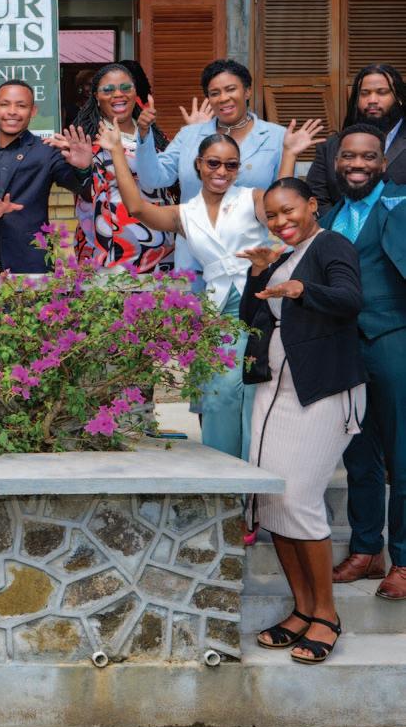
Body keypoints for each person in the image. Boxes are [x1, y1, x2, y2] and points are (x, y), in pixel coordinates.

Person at [100, 117, 322, 458]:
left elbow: (281, 206)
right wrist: (116, 150)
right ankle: (226, 470)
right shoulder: (185, 214)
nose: (222, 171)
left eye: (231, 165)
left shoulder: (251, 198)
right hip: (220, 310)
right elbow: (137, 208)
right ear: (199, 165)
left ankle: (258, 468)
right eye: (213, 163)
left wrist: (289, 153)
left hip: (262, 303)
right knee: (220, 393)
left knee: (256, 389)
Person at [239, 178, 367, 665]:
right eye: (271, 216)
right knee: (272, 501)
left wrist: (302, 289)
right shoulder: (281, 258)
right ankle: (302, 609)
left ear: (312, 205)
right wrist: (258, 273)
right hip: (275, 394)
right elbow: (252, 317)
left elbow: (349, 299)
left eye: (288, 211)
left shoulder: (331, 244)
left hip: (323, 394)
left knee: (298, 500)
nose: (280, 222)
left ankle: (326, 616)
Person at [322, 125, 406, 599]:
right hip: (344, 348)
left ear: (383, 163)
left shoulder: (401, 203)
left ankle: (404, 560)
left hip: (394, 339)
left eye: (368, 157)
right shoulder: (329, 216)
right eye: (349, 156)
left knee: (403, 455)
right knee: (358, 454)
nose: (358, 164)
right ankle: (367, 549)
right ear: (337, 162)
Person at [135, 59, 287, 274]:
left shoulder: (276, 137)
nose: (223, 98)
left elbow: (284, 197)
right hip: (194, 260)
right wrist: (144, 134)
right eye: (215, 93)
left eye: (231, 89)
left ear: (247, 91)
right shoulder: (190, 135)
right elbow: (153, 178)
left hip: (250, 260)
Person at [0, 80, 92, 273]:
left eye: (21, 106)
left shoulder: (46, 151)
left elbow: (83, 190)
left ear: (33, 111)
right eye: (5, 104)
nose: (12, 111)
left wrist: (83, 168)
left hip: (30, 261)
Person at [70, 61, 175, 274]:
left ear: (135, 93)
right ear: (96, 97)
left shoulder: (156, 136)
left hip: (160, 245)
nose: (118, 94)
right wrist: (83, 169)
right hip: (108, 245)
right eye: (108, 90)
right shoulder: (86, 138)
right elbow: (85, 193)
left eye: (126, 88)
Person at [308, 65, 406, 217]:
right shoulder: (330, 146)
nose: (372, 100)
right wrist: (341, 227)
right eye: (364, 93)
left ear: (399, 97)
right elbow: (317, 198)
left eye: (382, 92)